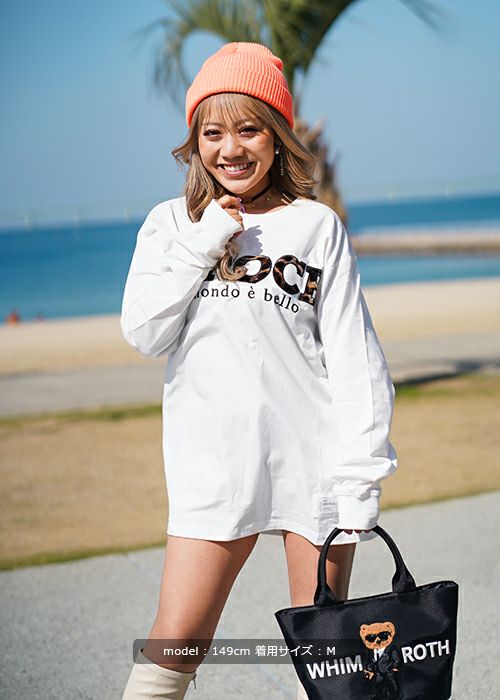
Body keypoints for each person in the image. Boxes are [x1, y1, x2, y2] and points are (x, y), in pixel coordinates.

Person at [120, 41, 398, 700]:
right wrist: (204, 241)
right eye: (213, 132)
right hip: (213, 468)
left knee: (324, 661)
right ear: (195, 141)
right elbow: (144, 332)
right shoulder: (171, 224)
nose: (231, 149)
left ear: (277, 135)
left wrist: (361, 480)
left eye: (249, 128)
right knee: (173, 647)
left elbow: (355, 357)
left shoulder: (315, 226)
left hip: (314, 465)